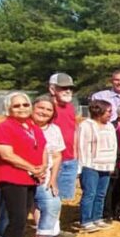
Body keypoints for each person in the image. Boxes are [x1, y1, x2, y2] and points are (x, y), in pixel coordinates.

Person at [0, 92, 46, 237]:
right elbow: (6, 154)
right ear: (8, 109)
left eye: (25, 104)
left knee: (22, 219)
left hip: (29, 178)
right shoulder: (2, 128)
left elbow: (43, 148)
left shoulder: (32, 127)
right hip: (11, 178)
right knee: (16, 219)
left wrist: (42, 167)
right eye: (17, 106)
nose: (22, 108)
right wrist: (32, 167)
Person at [29, 95, 66, 237]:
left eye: (48, 110)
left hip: (44, 175)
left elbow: (57, 156)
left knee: (52, 203)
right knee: (15, 209)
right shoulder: (23, 126)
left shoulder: (54, 129)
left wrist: (53, 179)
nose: (44, 112)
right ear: (33, 107)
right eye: (41, 107)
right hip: (21, 174)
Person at [75, 99, 117, 232]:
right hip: (90, 165)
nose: (110, 114)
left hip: (106, 165)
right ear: (99, 111)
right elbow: (81, 146)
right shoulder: (86, 125)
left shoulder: (110, 126)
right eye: (108, 111)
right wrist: (81, 167)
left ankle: (97, 218)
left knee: (101, 194)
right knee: (90, 193)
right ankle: (86, 220)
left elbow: (114, 146)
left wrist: (112, 165)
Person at [47, 73, 79, 219]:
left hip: (69, 159)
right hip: (52, 160)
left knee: (59, 197)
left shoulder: (70, 107)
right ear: (52, 89)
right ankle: (47, 230)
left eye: (70, 88)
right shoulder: (46, 108)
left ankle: (54, 227)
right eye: (63, 88)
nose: (68, 91)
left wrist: (76, 155)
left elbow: (75, 129)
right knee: (48, 196)